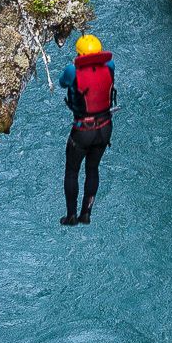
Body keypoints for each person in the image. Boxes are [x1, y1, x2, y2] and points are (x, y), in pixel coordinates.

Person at [58, 32, 114, 224]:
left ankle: (71, 215)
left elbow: (62, 82)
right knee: (93, 169)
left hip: (83, 130)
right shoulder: (110, 66)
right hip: (105, 127)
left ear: (80, 54)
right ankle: (86, 213)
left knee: (72, 170)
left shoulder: (72, 70)